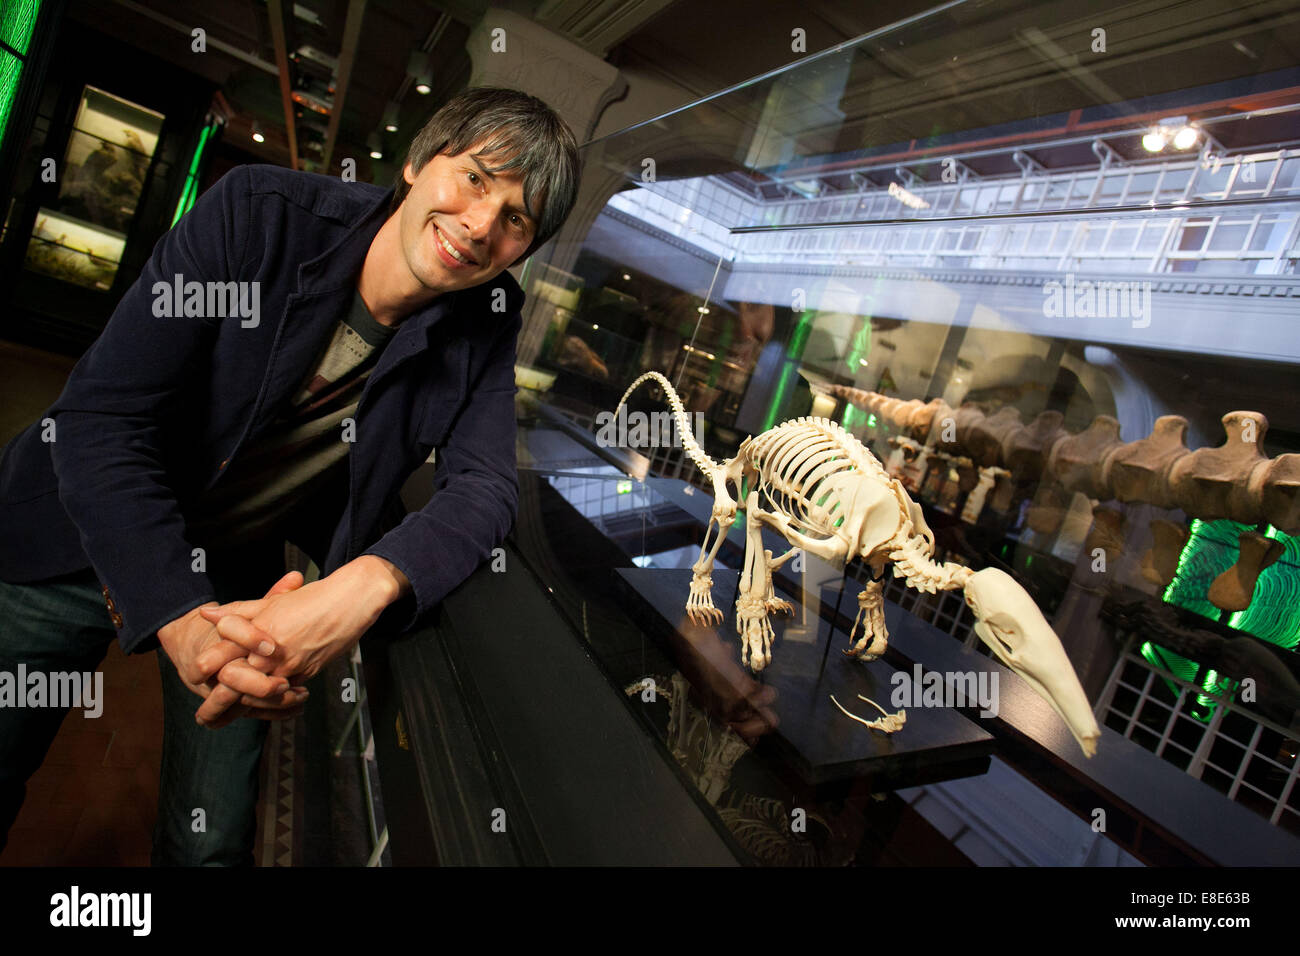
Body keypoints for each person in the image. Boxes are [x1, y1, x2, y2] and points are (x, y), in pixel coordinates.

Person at [0, 86, 581, 864]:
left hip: (239, 579)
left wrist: (360, 588)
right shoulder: (262, 213)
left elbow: (485, 487)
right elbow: (102, 419)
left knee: (213, 843)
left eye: (518, 220)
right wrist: (177, 617)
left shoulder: (488, 317)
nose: (482, 226)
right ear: (415, 163)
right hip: (75, 530)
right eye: (476, 178)